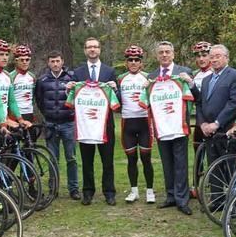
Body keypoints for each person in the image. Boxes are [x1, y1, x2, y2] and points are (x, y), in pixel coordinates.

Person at [145, 40, 194, 215]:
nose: (164, 55)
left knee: (180, 162)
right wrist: (146, 89)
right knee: (166, 162)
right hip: (161, 126)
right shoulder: (150, 77)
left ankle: (182, 199)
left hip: (179, 125)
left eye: (167, 52)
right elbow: (146, 102)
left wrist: (190, 82)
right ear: (157, 56)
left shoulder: (184, 72)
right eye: (161, 52)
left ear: (173, 54)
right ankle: (171, 196)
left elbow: (195, 96)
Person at [68, 37, 119, 206]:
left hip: (105, 125)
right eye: (89, 47)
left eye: (95, 47)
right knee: (87, 161)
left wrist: (115, 89)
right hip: (86, 125)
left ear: (100, 50)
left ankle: (109, 192)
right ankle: (88, 192)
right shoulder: (78, 73)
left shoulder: (109, 71)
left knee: (108, 161)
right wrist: (69, 89)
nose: (92, 50)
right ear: (85, 50)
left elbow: (117, 103)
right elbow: (72, 100)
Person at [195, 44, 236, 209]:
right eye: (212, 56)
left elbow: (234, 103)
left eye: (218, 56)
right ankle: (216, 200)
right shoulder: (206, 79)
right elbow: (201, 103)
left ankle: (234, 204)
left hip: (226, 130)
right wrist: (202, 123)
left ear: (226, 58)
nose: (214, 59)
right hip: (208, 131)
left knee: (231, 168)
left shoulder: (235, 76)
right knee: (213, 166)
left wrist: (217, 123)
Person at [36, 50, 80, 200]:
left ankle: (73, 189)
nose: (55, 64)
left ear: (62, 61)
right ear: (48, 63)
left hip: (68, 123)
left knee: (71, 158)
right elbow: (39, 101)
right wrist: (48, 114)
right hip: (51, 124)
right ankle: (53, 189)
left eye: (57, 61)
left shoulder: (71, 78)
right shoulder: (42, 80)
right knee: (53, 158)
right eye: (52, 61)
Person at [116, 45, 155, 204]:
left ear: (141, 63)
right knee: (131, 159)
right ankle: (134, 191)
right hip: (127, 122)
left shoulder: (149, 77)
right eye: (130, 60)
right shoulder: (120, 79)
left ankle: (150, 191)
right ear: (126, 62)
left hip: (144, 122)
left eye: (136, 60)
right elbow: (116, 101)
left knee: (146, 158)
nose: (133, 62)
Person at [188, 41, 213, 197]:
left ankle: (213, 189)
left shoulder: (215, 72)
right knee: (198, 155)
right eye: (198, 56)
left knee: (212, 155)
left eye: (204, 55)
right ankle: (196, 186)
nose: (201, 59)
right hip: (199, 120)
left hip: (212, 120)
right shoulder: (194, 75)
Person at [0, 39, 31, 129]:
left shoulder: (7, 76)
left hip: (4, 120)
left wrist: (20, 119)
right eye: (1, 54)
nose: (5, 58)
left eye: (7, 55)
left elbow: (12, 101)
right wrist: (5, 119)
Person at [10, 45, 38, 122]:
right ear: (16, 61)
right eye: (22, 60)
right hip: (15, 114)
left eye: (27, 60)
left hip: (29, 112)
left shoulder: (32, 76)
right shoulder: (10, 77)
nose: (25, 62)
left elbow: (33, 96)